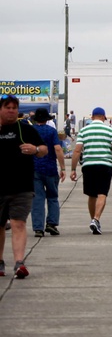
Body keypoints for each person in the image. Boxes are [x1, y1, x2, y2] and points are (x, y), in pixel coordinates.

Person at [1, 96, 47, 279]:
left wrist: (35, 150)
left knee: (18, 223)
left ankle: (19, 263)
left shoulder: (26, 129)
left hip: (22, 186)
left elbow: (44, 149)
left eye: (14, 107)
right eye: (7, 107)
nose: (11, 110)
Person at [71, 107, 112, 235]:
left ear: (92, 117)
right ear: (104, 117)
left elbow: (77, 151)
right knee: (102, 193)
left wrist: (73, 169)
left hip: (88, 165)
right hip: (105, 165)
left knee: (91, 195)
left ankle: (93, 220)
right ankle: (96, 219)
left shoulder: (83, 131)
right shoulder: (110, 130)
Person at [30, 108, 64, 238]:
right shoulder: (51, 131)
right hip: (50, 169)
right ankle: (52, 224)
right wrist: (63, 168)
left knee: (37, 199)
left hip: (35, 169)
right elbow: (58, 149)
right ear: (47, 119)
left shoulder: (30, 131)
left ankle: (38, 228)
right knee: (53, 197)